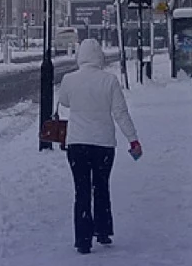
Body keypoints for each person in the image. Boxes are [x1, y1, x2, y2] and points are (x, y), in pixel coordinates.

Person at [55, 38, 142, 254]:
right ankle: (102, 231)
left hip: (77, 144)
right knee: (101, 187)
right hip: (103, 144)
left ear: (80, 57)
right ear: (99, 57)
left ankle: (83, 240)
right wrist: (133, 139)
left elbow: (64, 102)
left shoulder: (69, 79)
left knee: (81, 190)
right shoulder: (109, 81)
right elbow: (120, 113)